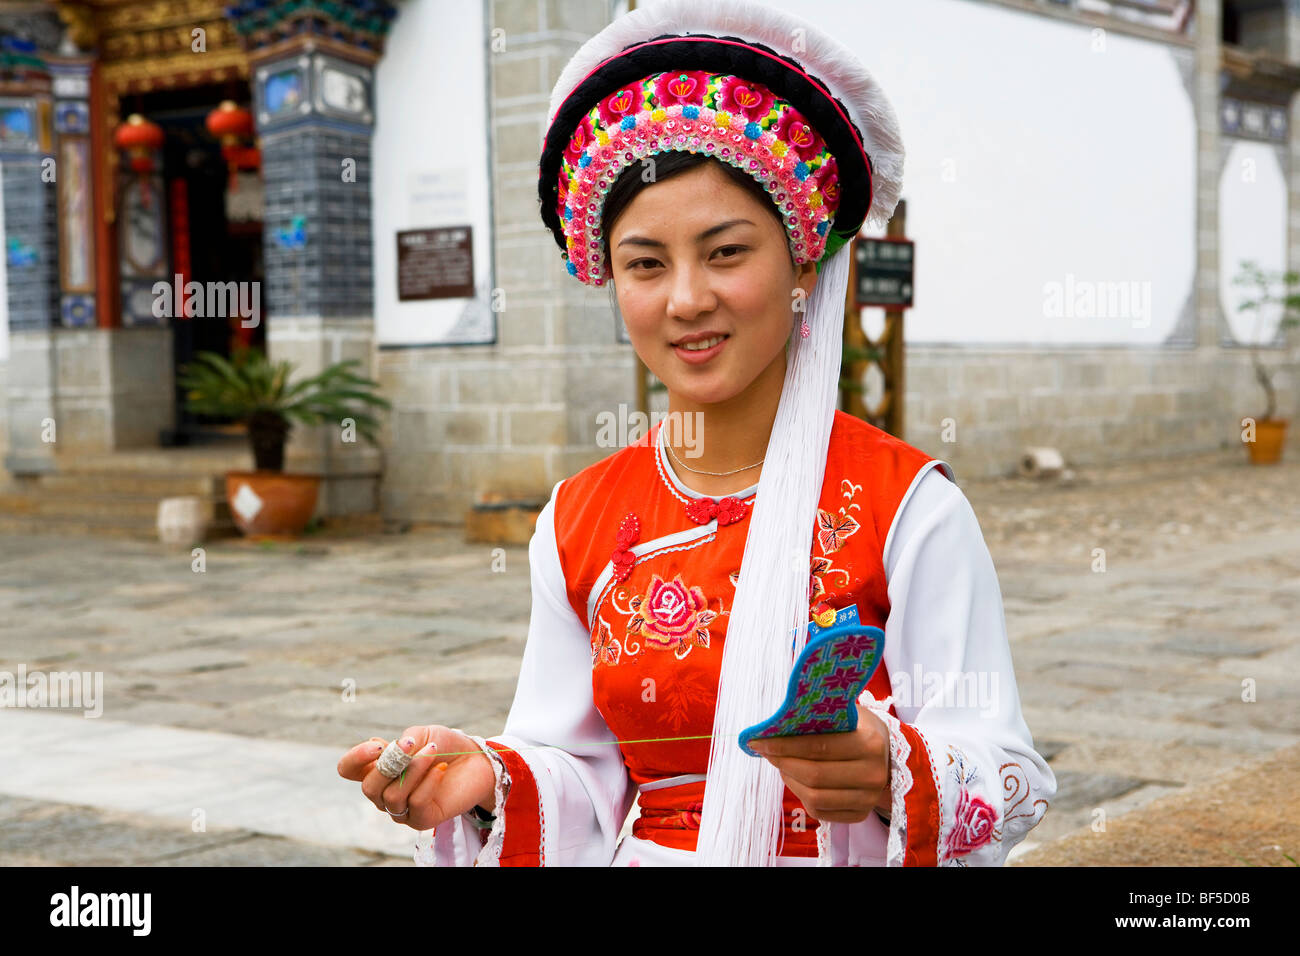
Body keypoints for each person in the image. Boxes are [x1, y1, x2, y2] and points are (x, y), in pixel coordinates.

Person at [338, 0, 1055, 866]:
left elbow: (1004, 769)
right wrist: (488, 782)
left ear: (801, 261)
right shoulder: (580, 518)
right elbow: (581, 773)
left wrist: (886, 770)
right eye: (645, 263)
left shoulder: (909, 510)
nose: (684, 300)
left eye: (725, 253)